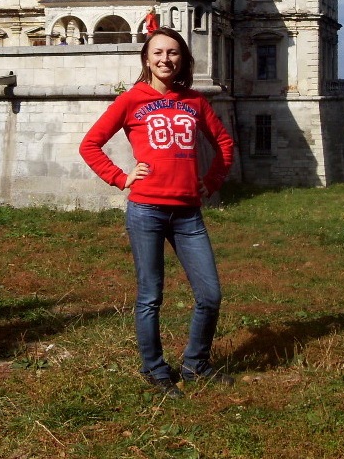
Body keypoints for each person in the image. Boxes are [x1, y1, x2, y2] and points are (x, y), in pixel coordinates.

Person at [79, 27, 235, 399]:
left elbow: (224, 143)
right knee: (150, 296)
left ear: (183, 59)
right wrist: (121, 177)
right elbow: (90, 144)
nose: (166, 59)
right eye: (158, 53)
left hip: (188, 214)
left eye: (173, 53)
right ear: (147, 59)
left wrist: (212, 181)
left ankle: (195, 365)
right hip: (146, 210)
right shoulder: (131, 99)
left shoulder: (194, 101)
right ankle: (154, 369)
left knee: (210, 295)